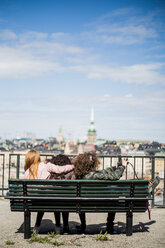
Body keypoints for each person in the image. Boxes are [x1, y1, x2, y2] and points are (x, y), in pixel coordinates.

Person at [72, 152, 128, 234]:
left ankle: (83, 225)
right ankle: (109, 227)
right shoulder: (94, 175)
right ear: (92, 164)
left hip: (82, 203)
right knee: (113, 200)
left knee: (81, 198)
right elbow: (115, 176)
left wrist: (115, 167)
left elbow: (102, 172)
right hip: (102, 203)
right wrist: (123, 166)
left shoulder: (79, 175)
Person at [24, 150, 74, 233]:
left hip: (32, 201)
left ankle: (37, 227)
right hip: (47, 198)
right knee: (55, 198)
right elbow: (60, 169)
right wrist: (73, 166)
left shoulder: (27, 171)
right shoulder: (46, 166)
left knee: (45, 199)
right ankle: (58, 227)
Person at [49, 154, 74, 234]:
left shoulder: (52, 172)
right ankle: (66, 226)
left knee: (57, 202)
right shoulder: (71, 172)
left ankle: (57, 227)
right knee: (65, 201)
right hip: (68, 199)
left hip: (54, 199)